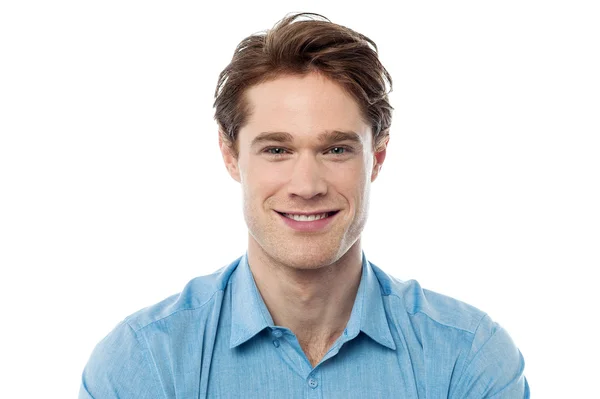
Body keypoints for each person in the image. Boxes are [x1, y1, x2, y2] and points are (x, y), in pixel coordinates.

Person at [79, 12, 529, 398]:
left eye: (336, 150)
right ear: (231, 155)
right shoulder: (146, 360)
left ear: (377, 157)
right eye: (277, 150)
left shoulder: (466, 356)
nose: (307, 185)